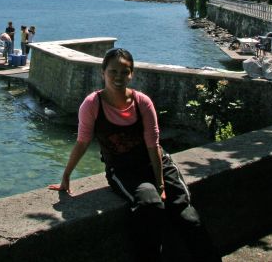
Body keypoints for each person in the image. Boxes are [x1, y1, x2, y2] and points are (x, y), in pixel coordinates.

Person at [49, 48, 219, 261]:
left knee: (185, 214)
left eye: (124, 72)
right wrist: (66, 176)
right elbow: (82, 142)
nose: (118, 77)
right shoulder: (92, 104)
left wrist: (161, 185)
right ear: (103, 73)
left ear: (132, 74)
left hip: (157, 163)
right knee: (150, 205)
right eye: (113, 72)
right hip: (123, 169)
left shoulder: (142, 102)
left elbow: (153, 145)